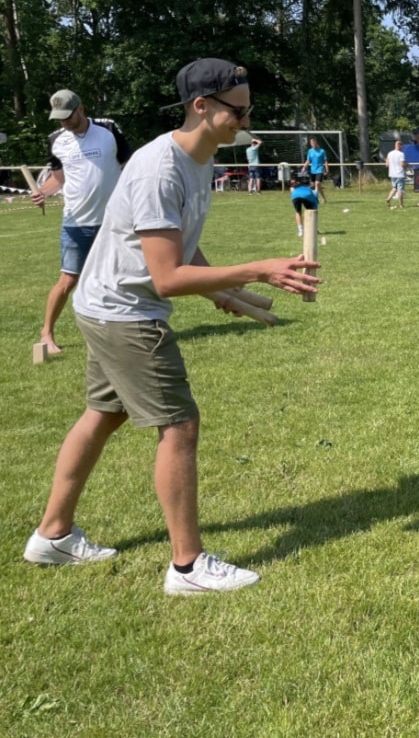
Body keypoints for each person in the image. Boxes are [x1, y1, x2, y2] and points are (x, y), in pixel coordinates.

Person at [23, 58, 321, 595]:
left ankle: (52, 534)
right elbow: (164, 277)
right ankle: (188, 567)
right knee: (179, 426)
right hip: (126, 311)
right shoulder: (161, 167)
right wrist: (259, 268)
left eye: (248, 108)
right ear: (201, 107)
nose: (245, 119)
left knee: (103, 413)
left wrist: (223, 291)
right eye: (237, 109)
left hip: (105, 303)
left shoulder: (199, 159)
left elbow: (180, 245)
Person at [29, 89, 132, 355]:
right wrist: (43, 192)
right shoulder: (56, 140)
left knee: (117, 277)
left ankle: (116, 331)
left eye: (68, 117)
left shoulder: (108, 129)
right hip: (76, 223)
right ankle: (46, 334)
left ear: (81, 109)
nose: (65, 123)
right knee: (68, 280)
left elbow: (128, 164)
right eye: (60, 119)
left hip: (112, 220)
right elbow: (58, 179)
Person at [302, 136, 329, 204]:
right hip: (313, 170)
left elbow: (325, 161)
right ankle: (324, 198)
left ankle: (315, 198)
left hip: (320, 169)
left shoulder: (322, 151)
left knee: (317, 183)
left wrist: (327, 169)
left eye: (314, 143)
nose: (313, 144)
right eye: (311, 143)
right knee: (317, 186)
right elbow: (308, 160)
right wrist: (304, 167)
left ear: (316, 142)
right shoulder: (310, 151)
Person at [385, 140, 407, 208]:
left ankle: (388, 198)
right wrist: (407, 164)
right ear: (400, 146)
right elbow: (402, 164)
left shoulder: (390, 153)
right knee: (400, 190)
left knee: (394, 188)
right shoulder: (401, 154)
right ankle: (401, 204)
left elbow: (387, 164)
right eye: (401, 146)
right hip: (399, 174)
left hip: (392, 174)